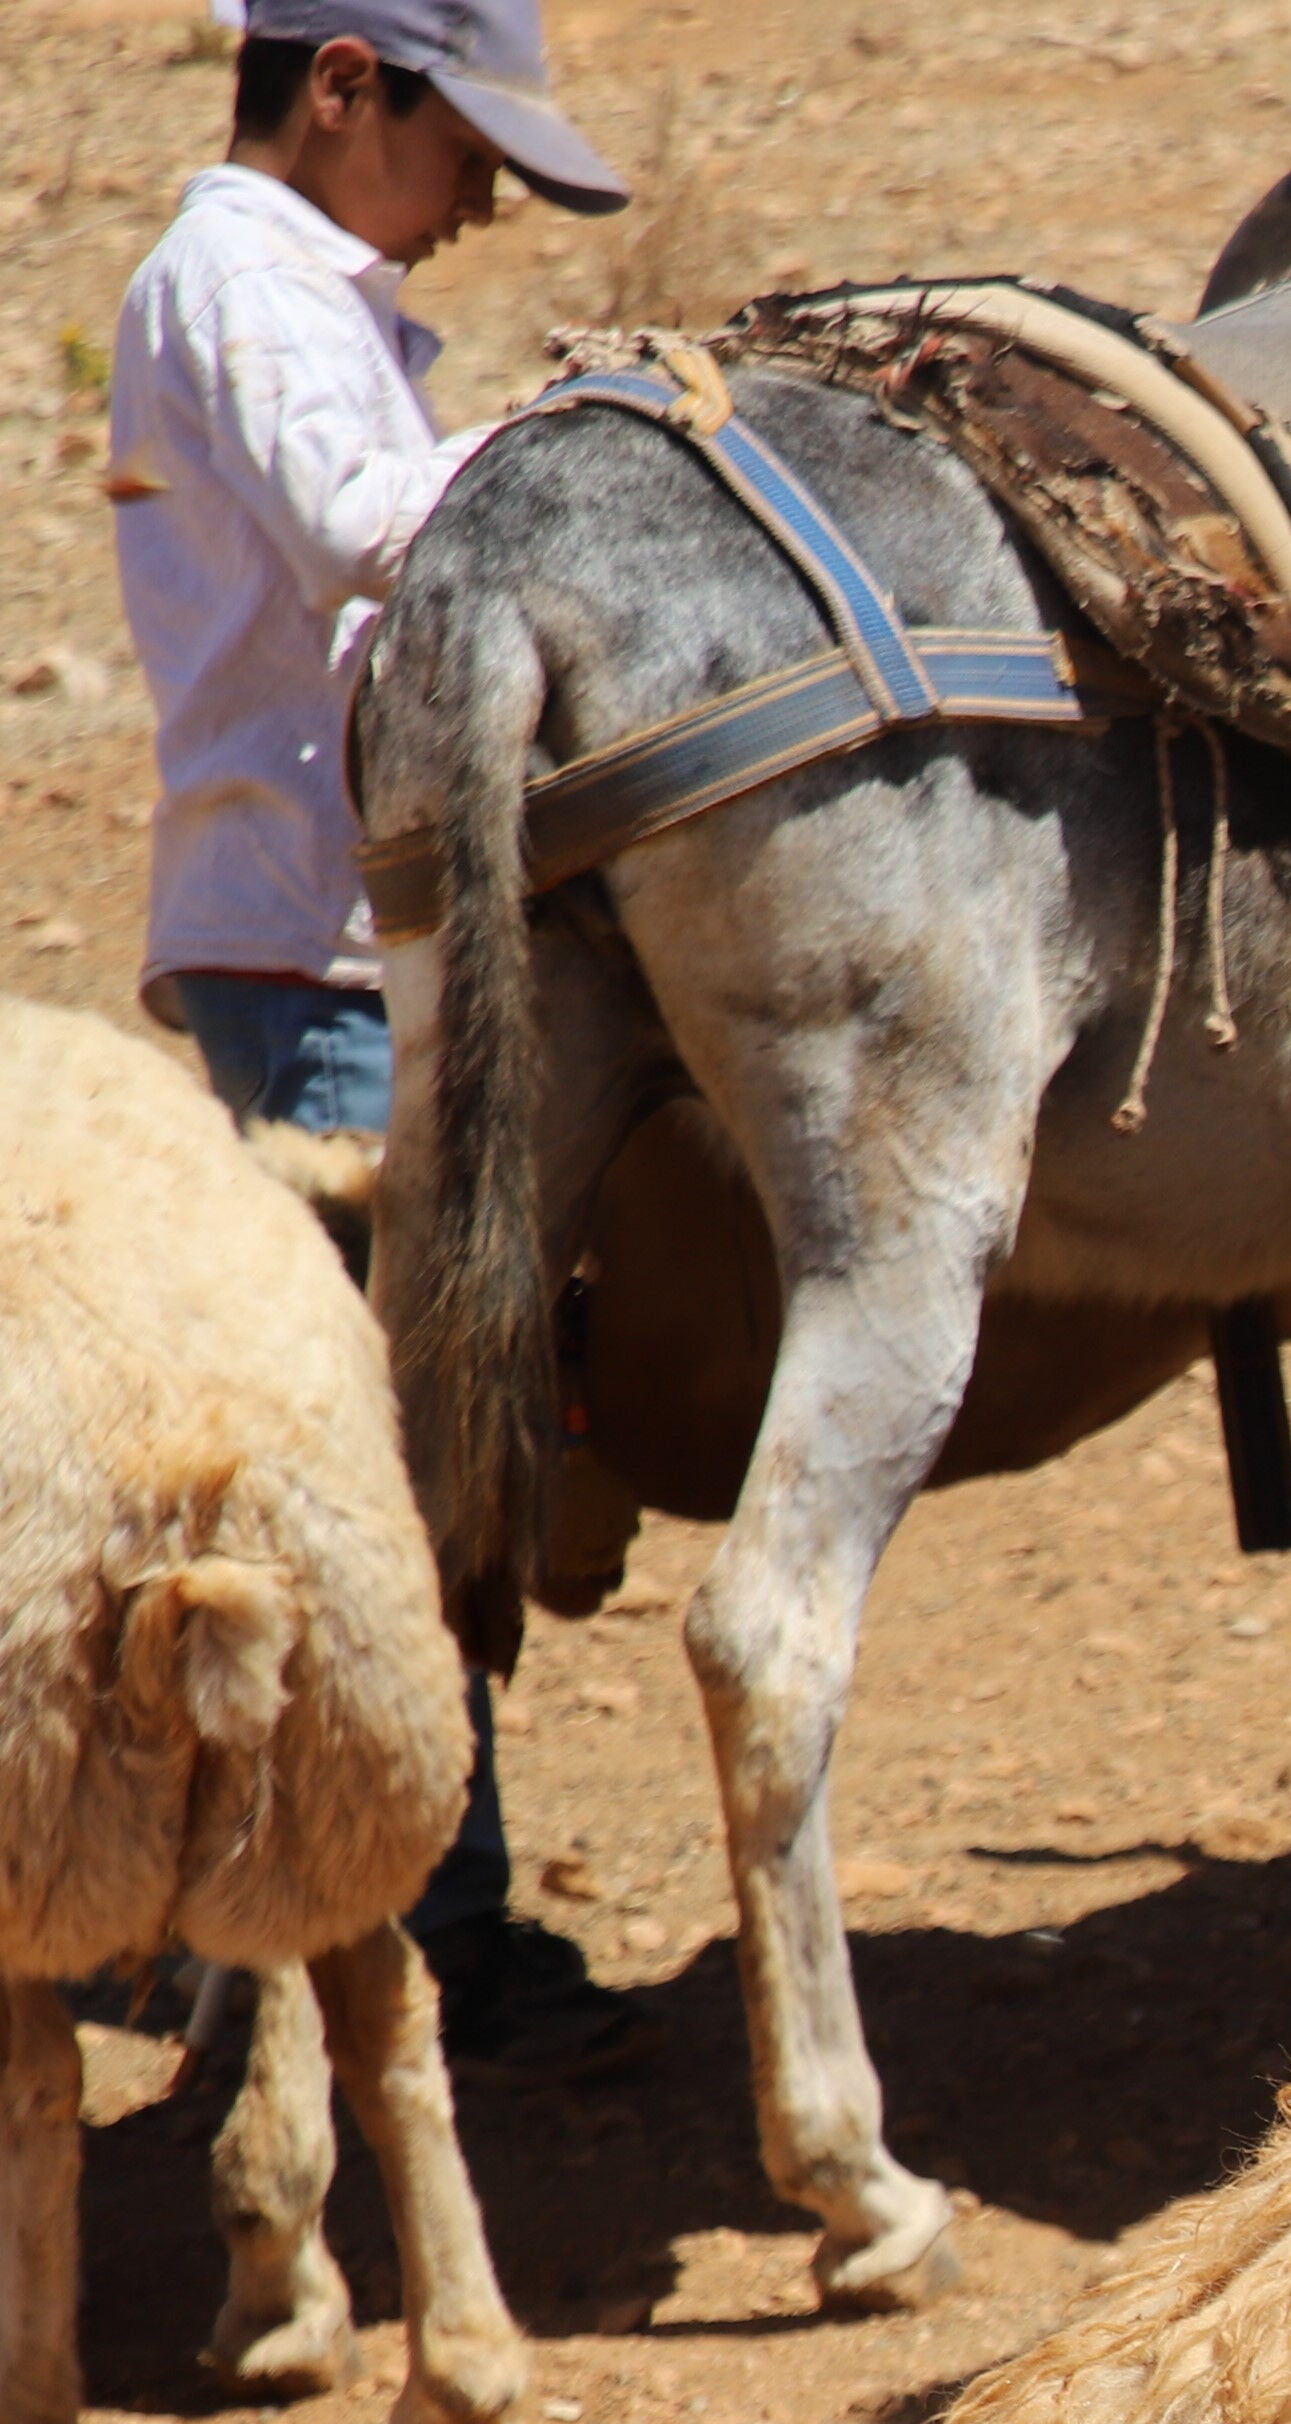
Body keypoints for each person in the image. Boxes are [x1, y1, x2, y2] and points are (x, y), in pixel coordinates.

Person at [112, 0, 634, 2077]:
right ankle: (408, 1926)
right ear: (346, 86)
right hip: (316, 933)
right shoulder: (238, 283)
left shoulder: (279, 282)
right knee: (378, 1444)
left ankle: (345, 1916)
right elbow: (362, 527)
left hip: (327, 921)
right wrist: (606, 450)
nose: (485, 193)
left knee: (391, 1427)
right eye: (461, 142)